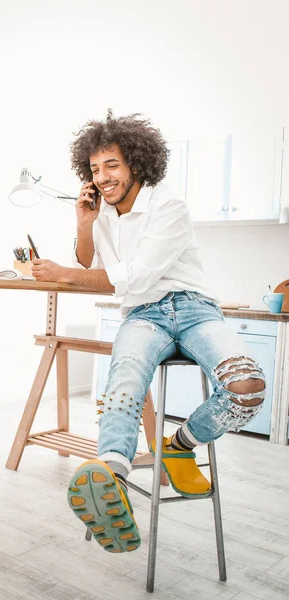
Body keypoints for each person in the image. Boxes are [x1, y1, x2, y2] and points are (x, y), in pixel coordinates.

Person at [31, 110, 266, 554]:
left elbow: (134, 275)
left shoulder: (168, 204)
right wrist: (83, 224)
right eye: (95, 169)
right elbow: (90, 265)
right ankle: (113, 478)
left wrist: (64, 272)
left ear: (136, 162)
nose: (102, 177)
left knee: (248, 388)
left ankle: (179, 444)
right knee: (125, 381)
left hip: (193, 307)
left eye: (112, 165)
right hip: (142, 315)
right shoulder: (102, 212)